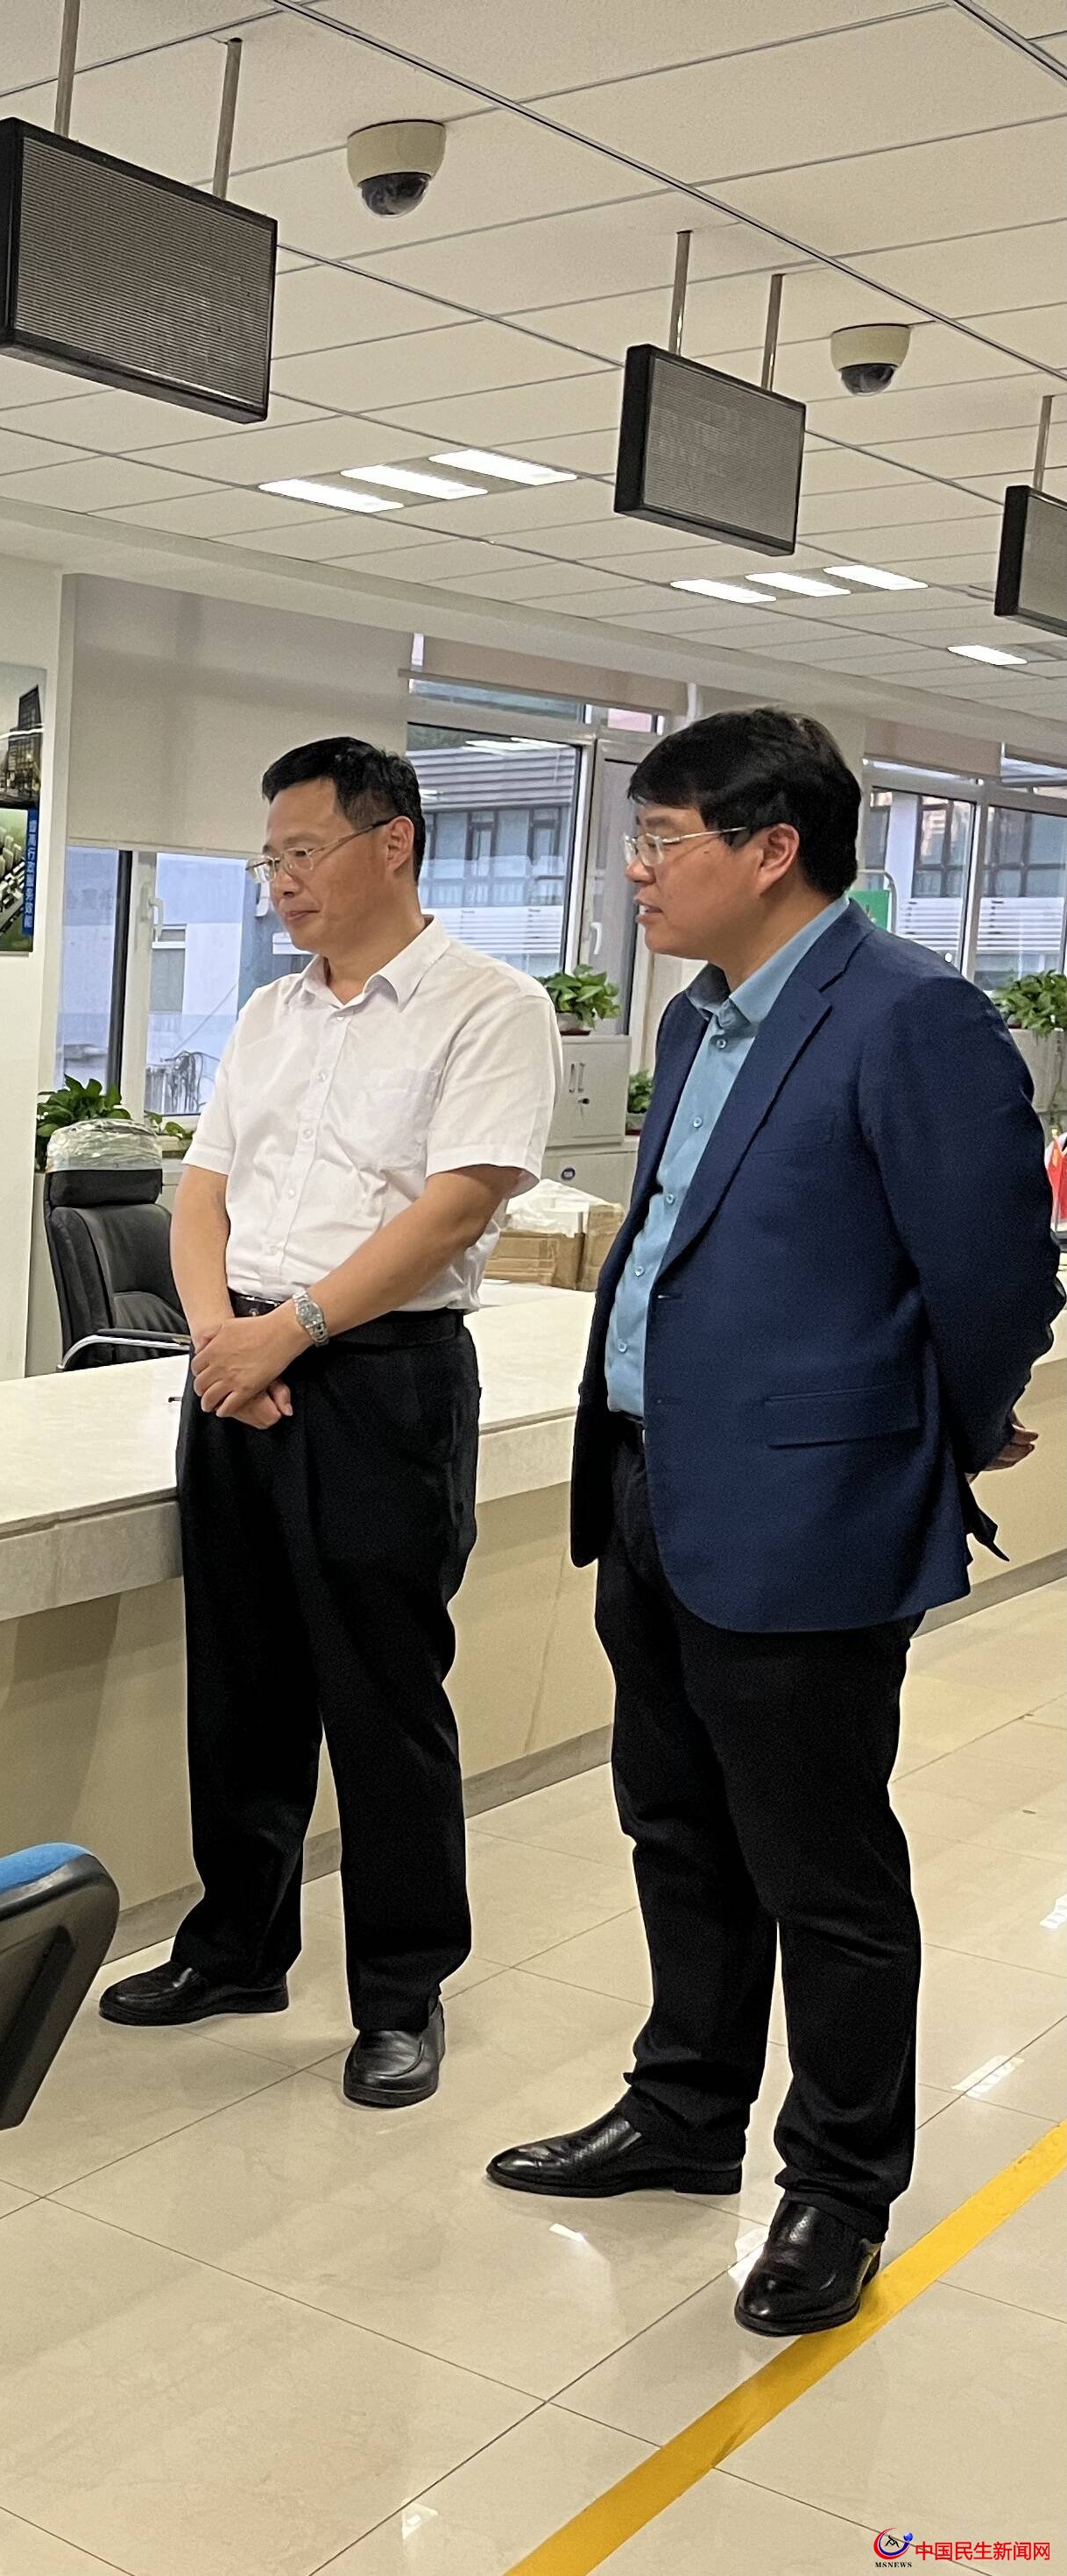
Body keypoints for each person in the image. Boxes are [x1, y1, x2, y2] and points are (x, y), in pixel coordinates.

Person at [488, 708, 1059, 2334]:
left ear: (770, 850)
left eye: (660, 839)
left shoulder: (908, 1014)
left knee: (822, 1866)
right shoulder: (698, 1020)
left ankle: (836, 2186)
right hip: (648, 1482)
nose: (634, 869)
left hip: (809, 1504)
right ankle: (682, 2112)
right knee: (674, 1826)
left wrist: (938, 1434)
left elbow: (992, 1275)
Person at [99, 737, 560, 2111]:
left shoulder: (488, 1007)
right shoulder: (268, 1012)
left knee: (381, 1695)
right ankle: (235, 1948)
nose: (281, 883)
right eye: (270, 861)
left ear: (390, 842)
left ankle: (401, 1992)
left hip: (379, 1380)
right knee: (239, 1683)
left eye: (302, 853)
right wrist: (219, 1343)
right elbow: (201, 1193)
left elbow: (456, 1208)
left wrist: (289, 1331)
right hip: (238, 1370)